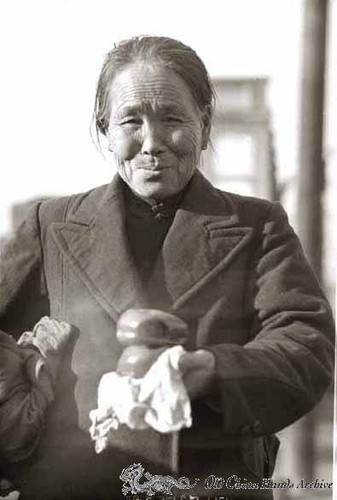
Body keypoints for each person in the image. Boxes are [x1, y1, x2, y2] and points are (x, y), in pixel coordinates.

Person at [0, 36, 334, 500]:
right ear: (105, 129)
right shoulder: (49, 225)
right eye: (130, 121)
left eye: (173, 119)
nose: (152, 144)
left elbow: (307, 345)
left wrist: (213, 371)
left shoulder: (258, 226)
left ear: (204, 122)